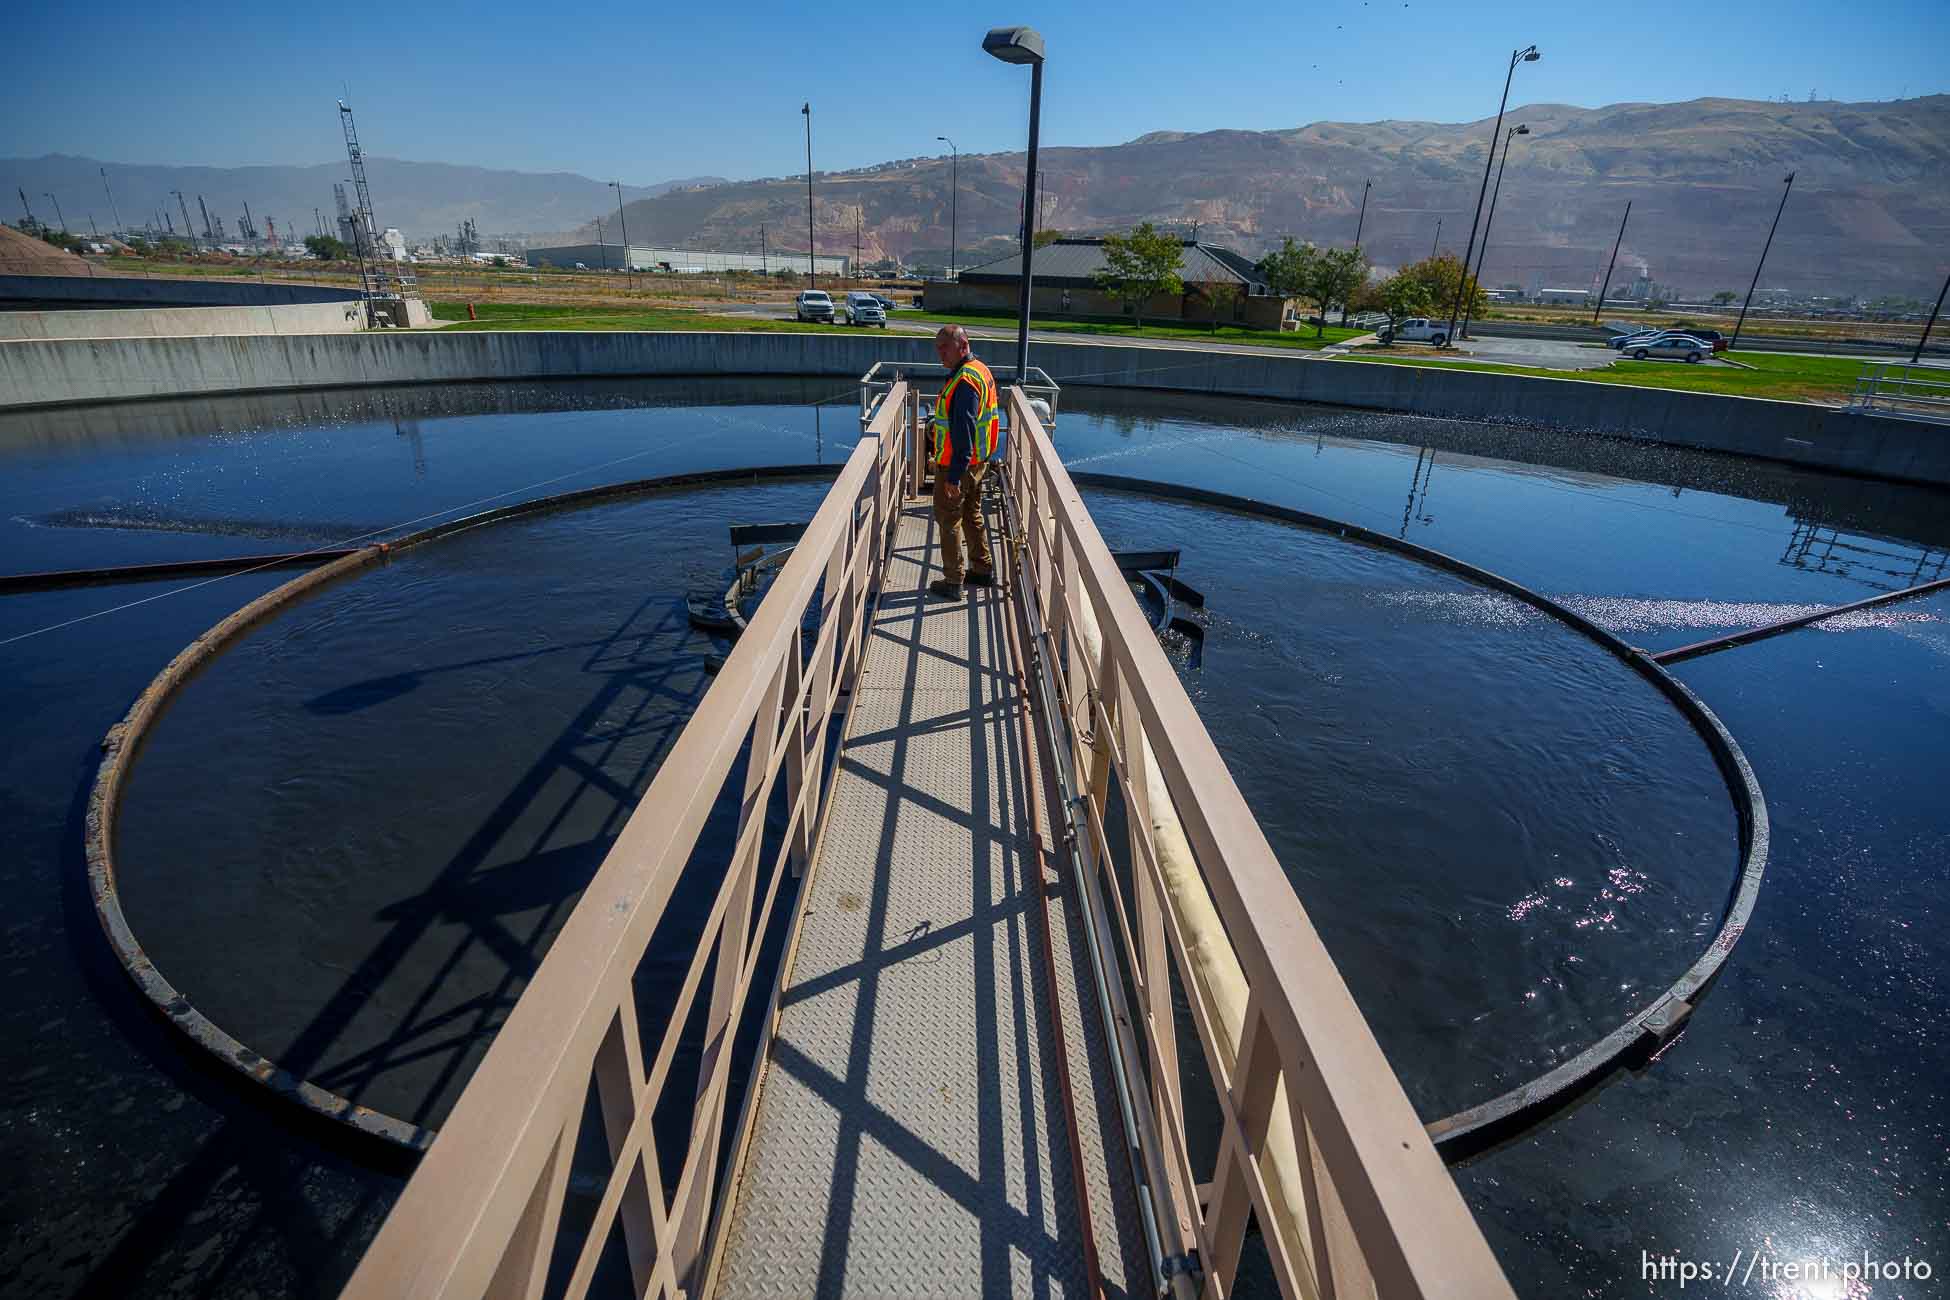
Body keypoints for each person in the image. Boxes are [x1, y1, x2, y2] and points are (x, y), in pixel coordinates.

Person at [927, 325, 1000, 600]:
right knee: (972, 514)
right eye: (938, 348)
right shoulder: (980, 369)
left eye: (945, 347)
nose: (940, 353)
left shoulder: (964, 382)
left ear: (963, 345)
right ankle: (982, 569)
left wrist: (953, 477)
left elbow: (964, 431)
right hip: (979, 462)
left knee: (949, 521)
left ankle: (953, 580)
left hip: (958, 466)